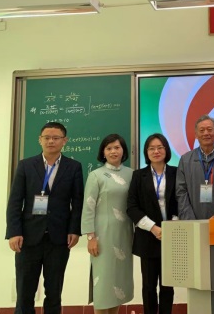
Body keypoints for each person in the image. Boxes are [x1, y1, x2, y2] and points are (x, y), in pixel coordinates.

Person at [6, 122, 84, 314]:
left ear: (64, 141)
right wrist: (14, 232)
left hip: (58, 239)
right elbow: (15, 201)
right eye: (46, 137)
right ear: (39, 140)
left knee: (54, 293)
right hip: (28, 238)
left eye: (56, 138)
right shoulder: (26, 165)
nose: (51, 141)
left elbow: (77, 202)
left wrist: (74, 230)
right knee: (25, 292)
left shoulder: (73, 167)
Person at [81, 134, 134, 314]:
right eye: (109, 148)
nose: (113, 151)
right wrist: (91, 237)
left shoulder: (131, 174)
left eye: (117, 147)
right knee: (104, 281)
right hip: (102, 236)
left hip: (124, 235)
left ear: (123, 151)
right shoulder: (96, 175)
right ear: (103, 152)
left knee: (119, 281)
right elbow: (88, 207)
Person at [127, 133, 178, 314]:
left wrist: (171, 225)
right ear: (146, 152)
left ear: (166, 150)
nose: (156, 151)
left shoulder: (176, 172)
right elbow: (132, 207)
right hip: (148, 236)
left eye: (160, 147)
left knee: (167, 285)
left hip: (171, 235)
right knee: (149, 286)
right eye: (151, 148)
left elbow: (182, 201)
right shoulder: (138, 175)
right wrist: (153, 228)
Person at [176, 114, 214, 220]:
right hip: (193, 221)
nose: (206, 133)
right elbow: (181, 192)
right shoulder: (185, 160)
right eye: (202, 130)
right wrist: (189, 219)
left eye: (209, 129)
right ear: (196, 135)